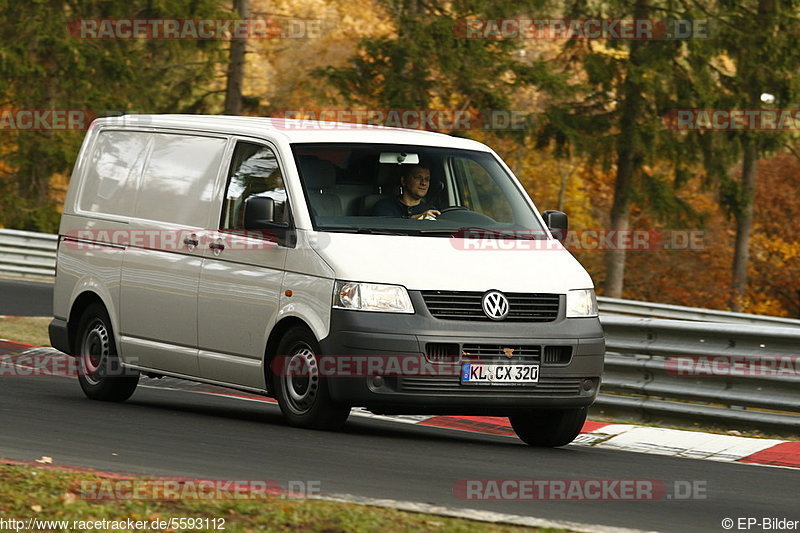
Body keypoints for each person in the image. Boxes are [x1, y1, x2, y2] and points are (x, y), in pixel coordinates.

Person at [371, 165, 441, 219]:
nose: (423, 183)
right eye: (418, 177)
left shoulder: (431, 210)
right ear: (404, 181)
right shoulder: (384, 206)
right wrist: (419, 217)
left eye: (427, 179)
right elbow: (385, 228)